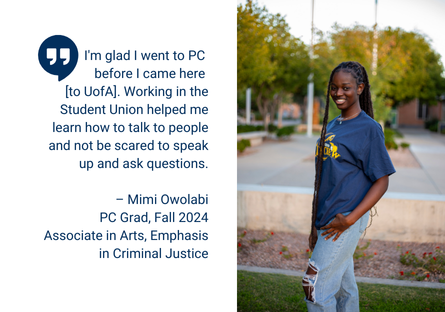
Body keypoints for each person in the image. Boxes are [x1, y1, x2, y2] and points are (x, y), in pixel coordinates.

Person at [302, 61, 395, 311]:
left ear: (360, 88)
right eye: (334, 88)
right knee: (344, 289)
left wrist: (351, 219)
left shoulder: (369, 129)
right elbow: (323, 180)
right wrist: (315, 225)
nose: (338, 93)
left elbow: (382, 179)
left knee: (314, 287)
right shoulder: (331, 126)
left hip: (345, 218)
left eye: (346, 87)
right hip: (327, 219)